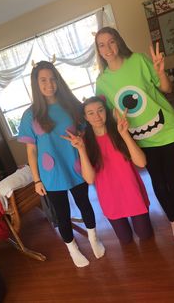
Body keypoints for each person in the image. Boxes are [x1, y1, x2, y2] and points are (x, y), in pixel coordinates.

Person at [94, 26, 174, 242]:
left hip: (169, 130)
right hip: (142, 139)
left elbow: (166, 89)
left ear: (118, 41)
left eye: (111, 41)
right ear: (99, 51)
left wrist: (160, 73)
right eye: (102, 45)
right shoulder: (102, 82)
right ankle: (173, 222)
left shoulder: (138, 60)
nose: (108, 48)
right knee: (158, 182)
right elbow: (104, 115)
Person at [17, 61, 105, 267]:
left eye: (52, 79)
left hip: (76, 167)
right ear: (36, 84)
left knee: (85, 204)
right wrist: (37, 180)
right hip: (51, 174)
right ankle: (72, 248)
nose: (49, 84)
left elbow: (84, 130)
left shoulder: (71, 105)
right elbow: (31, 150)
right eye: (43, 80)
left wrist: (80, 138)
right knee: (63, 215)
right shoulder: (30, 115)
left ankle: (94, 239)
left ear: (58, 80)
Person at [62, 96, 153, 244]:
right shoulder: (84, 142)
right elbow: (90, 179)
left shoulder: (119, 131)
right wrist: (81, 150)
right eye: (91, 113)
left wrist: (124, 134)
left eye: (100, 110)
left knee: (145, 235)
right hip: (110, 198)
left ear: (106, 111)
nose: (97, 116)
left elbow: (141, 162)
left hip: (132, 192)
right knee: (125, 239)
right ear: (85, 117)